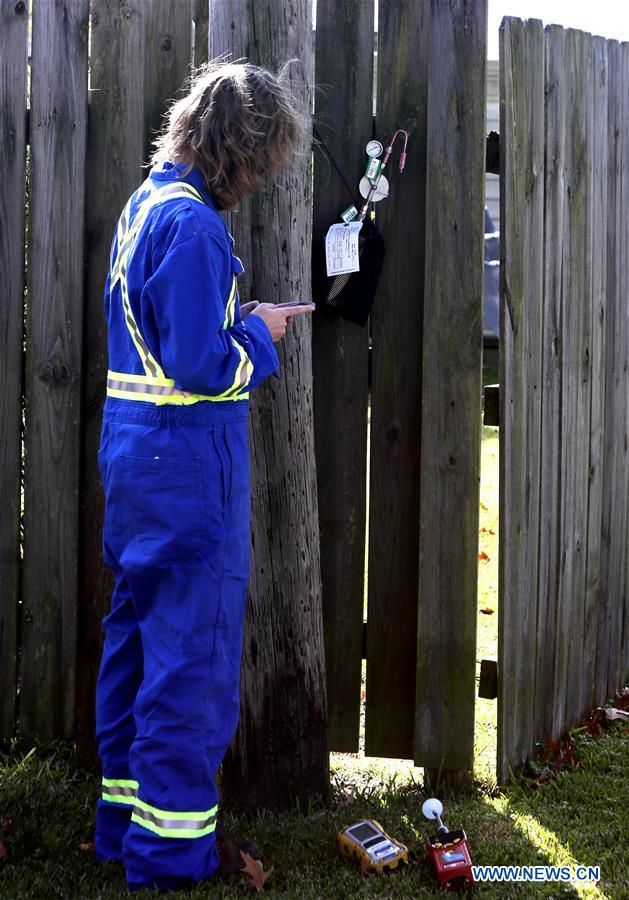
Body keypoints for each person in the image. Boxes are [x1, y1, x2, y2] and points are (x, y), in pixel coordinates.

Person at [94, 60, 314, 891]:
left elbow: (159, 338)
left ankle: (121, 832)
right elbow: (197, 364)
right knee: (191, 666)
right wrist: (259, 338)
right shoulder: (192, 225)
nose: (258, 182)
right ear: (239, 149)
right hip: (188, 470)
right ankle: (169, 856)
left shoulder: (145, 203)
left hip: (137, 464)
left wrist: (237, 317)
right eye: (261, 163)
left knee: (138, 647)